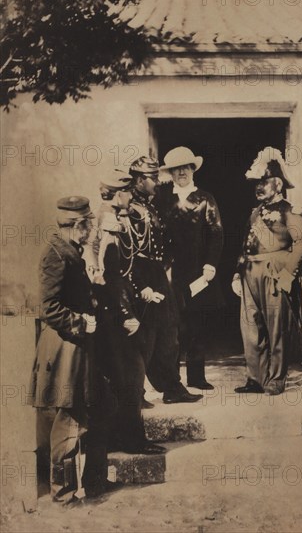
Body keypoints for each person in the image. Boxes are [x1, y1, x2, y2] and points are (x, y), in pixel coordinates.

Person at [28, 196, 117, 503]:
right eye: (88, 224)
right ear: (78, 226)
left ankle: (94, 483)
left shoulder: (70, 250)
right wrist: (80, 322)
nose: (91, 229)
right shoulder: (55, 254)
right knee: (68, 420)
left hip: (78, 348)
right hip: (64, 349)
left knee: (100, 407)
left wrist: (93, 292)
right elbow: (49, 307)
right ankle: (62, 495)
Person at [94, 171, 165, 454]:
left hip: (118, 306)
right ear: (119, 194)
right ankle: (132, 441)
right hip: (113, 313)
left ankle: (117, 438)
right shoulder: (109, 222)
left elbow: (125, 268)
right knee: (131, 376)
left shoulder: (115, 218)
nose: (129, 197)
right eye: (126, 193)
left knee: (122, 378)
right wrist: (125, 312)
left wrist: (141, 291)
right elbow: (109, 274)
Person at [232, 147, 302, 395]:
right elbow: (245, 244)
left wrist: (289, 274)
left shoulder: (290, 211)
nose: (259, 187)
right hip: (250, 273)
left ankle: (276, 379)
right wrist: (237, 273)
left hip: (275, 273)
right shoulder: (255, 212)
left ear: (277, 184)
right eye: (257, 182)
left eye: (263, 182)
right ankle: (255, 378)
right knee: (251, 327)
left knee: (277, 328)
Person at [127, 156, 202, 404]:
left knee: (169, 331)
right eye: (152, 178)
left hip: (157, 272)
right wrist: (141, 285)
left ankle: (172, 388)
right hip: (141, 274)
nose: (157, 182)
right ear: (139, 181)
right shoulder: (129, 208)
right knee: (146, 336)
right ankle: (134, 393)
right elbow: (128, 253)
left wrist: (165, 266)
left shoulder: (150, 206)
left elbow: (162, 241)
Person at [155, 146, 224, 390]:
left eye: (186, 167)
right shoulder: (161, 198)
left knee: (196, 323)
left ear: (193, 170)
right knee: (171, 325)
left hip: (197, 271)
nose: (182, 172)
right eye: (177, 168)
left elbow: (216, 234)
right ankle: (171, 379)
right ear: (171, 173)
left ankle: (196, 377)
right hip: (170, 272)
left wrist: (210, 266)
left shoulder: (205, 198)